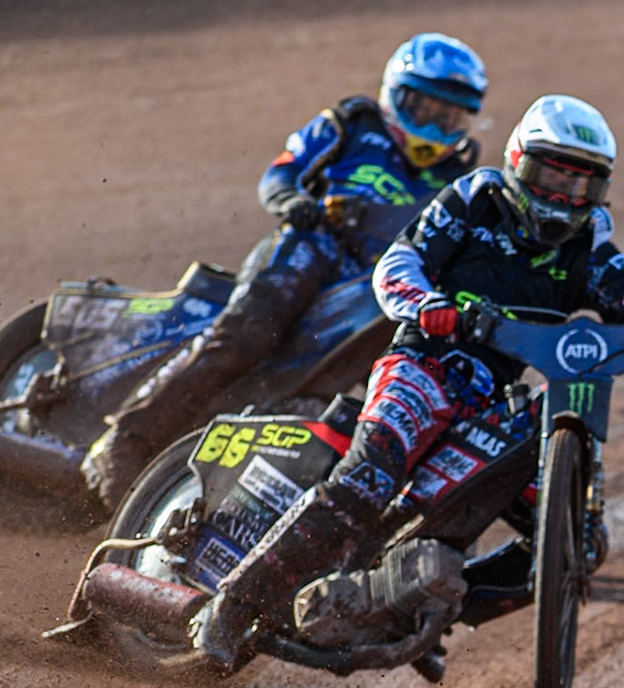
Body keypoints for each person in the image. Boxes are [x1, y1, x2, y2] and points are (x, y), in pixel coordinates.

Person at [191, 94, 624, 670]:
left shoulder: (588, 246)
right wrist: (429, 304)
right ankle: (230, 607)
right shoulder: (472, 201)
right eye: (549, 174)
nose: (561, 198)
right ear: (516, 161)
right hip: (423, 367)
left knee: (578, 542)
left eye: (580, 186)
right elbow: (397, 265)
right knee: (365, 481)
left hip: (490, 407)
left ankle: (413, 610)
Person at [81, 32, 491, 509]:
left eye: (450, 118)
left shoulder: (459, 178)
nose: (435, 127)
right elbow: (282, 172)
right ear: (395, 95)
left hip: (380, 285)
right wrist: (296, 202)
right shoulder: (354, 126)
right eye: (425, 110)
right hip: (314, 247)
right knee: (250, 331)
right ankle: (125, 437)